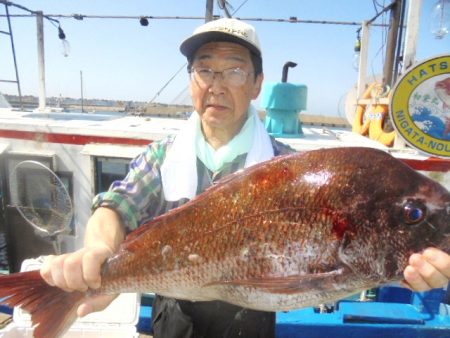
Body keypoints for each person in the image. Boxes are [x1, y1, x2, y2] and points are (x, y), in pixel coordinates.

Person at [40, 18, 450, 338]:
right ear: (191, 81)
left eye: (234, 71)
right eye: (205, 70)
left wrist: (407, 271)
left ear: (256, 86)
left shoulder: (283, 166)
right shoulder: (162, 155)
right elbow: (116, 204)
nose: (216, 85)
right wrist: (97, 255)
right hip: (174, 319)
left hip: (251, 324)